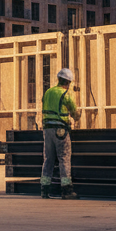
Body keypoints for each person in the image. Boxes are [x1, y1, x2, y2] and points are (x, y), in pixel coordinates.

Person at [40, 67, 81, 200]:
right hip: (60, 130)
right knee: (64, 158)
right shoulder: (66, 94)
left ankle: (44, 189)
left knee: (48, 159)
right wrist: (77, 117)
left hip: (47, 130)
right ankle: (66, 190)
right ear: (68, 82)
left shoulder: (48, 92)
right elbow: (75, 113)